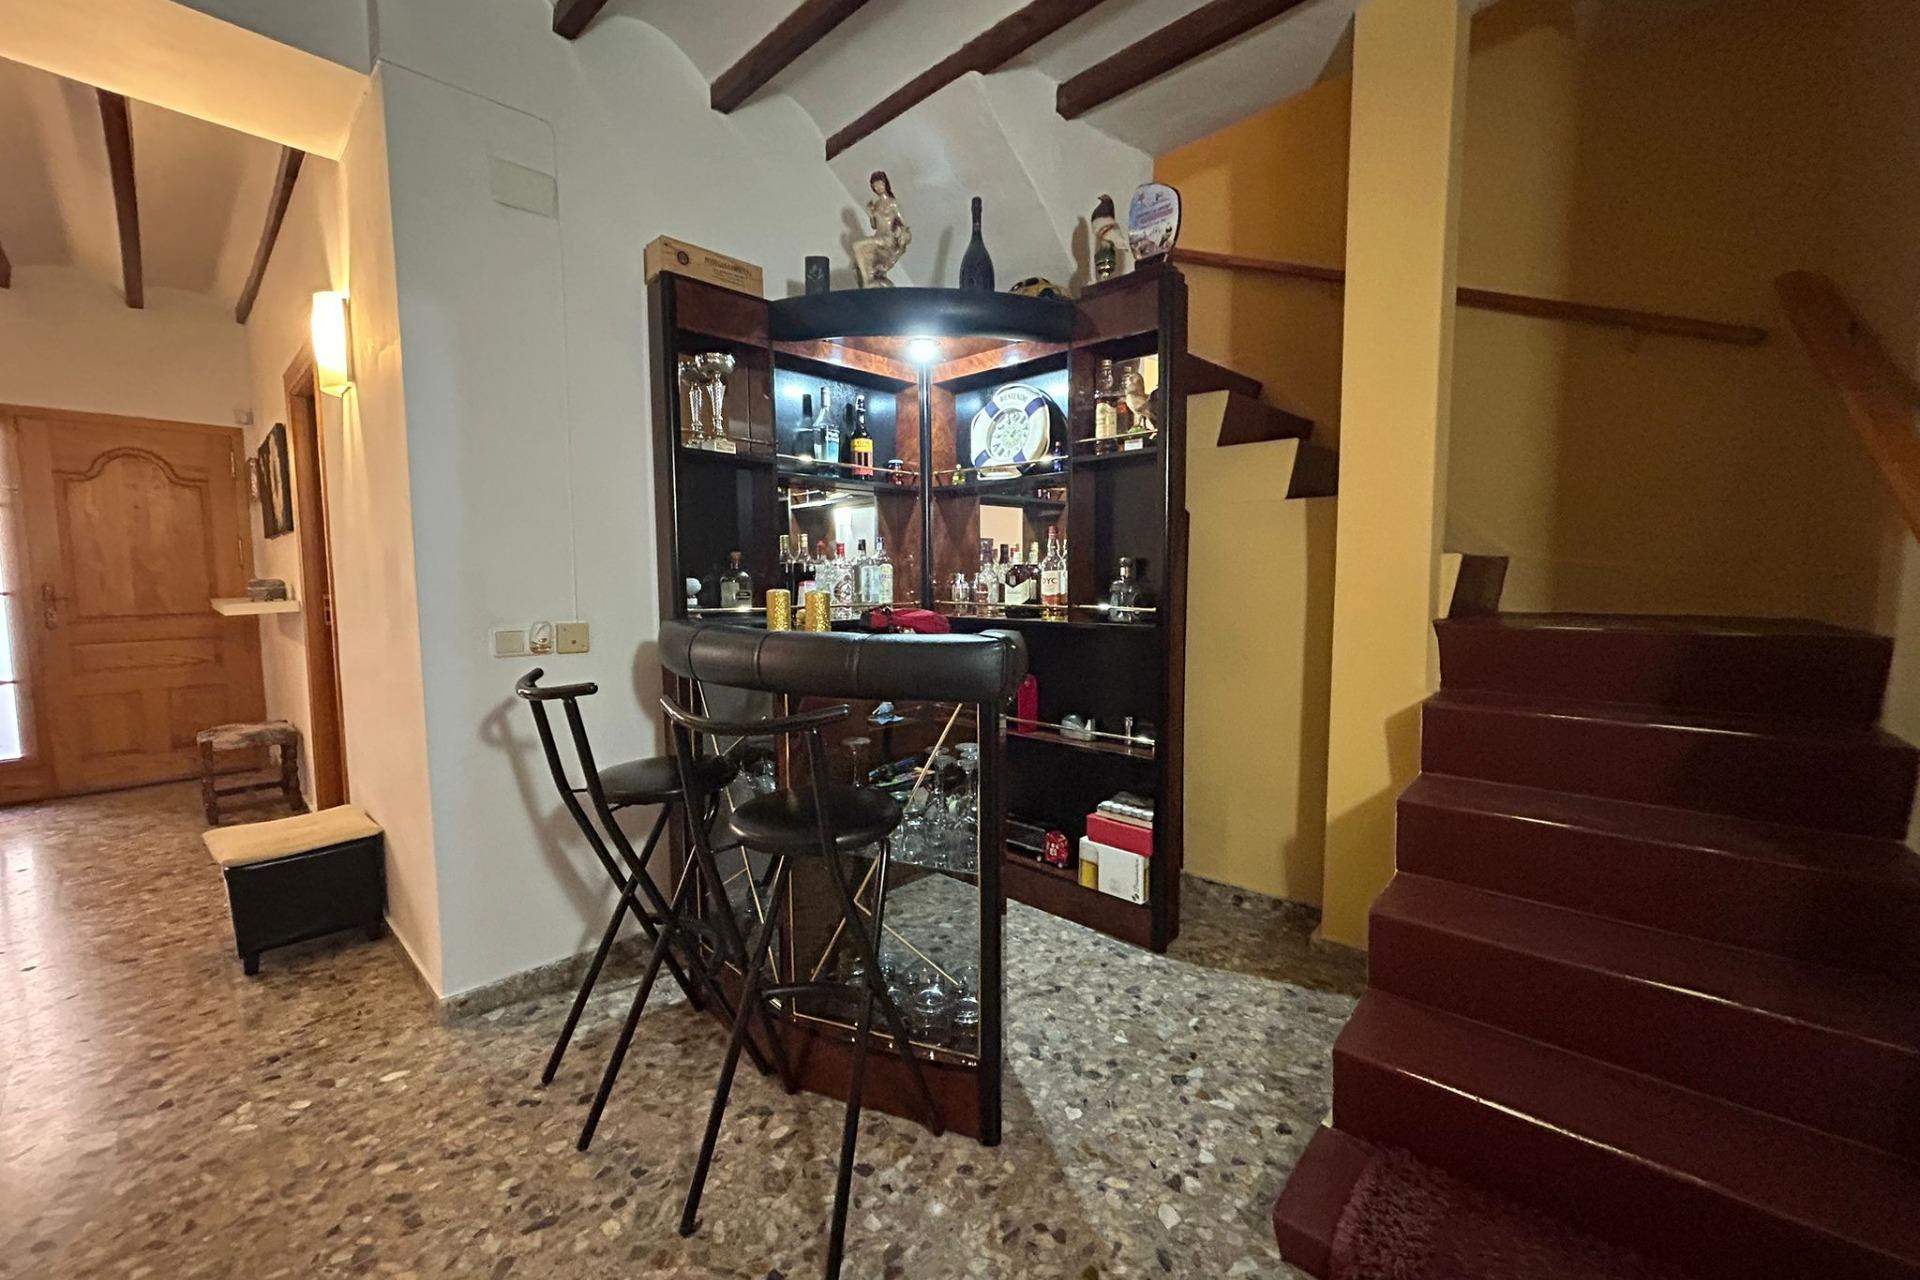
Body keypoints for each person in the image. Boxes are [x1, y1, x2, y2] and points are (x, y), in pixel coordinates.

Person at [853, 170, 911, 288]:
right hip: (877, 236)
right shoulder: (876, 204)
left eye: (880, 184)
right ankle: (868, 281)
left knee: (857, 246)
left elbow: (904, 224)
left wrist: (902, 236)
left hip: (887, 238)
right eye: (875, 186)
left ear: (885, 184)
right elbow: (874, 225)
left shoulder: (893, 203)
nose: (878, 188)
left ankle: (866, 283)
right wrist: (870, 214)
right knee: (857, 264)